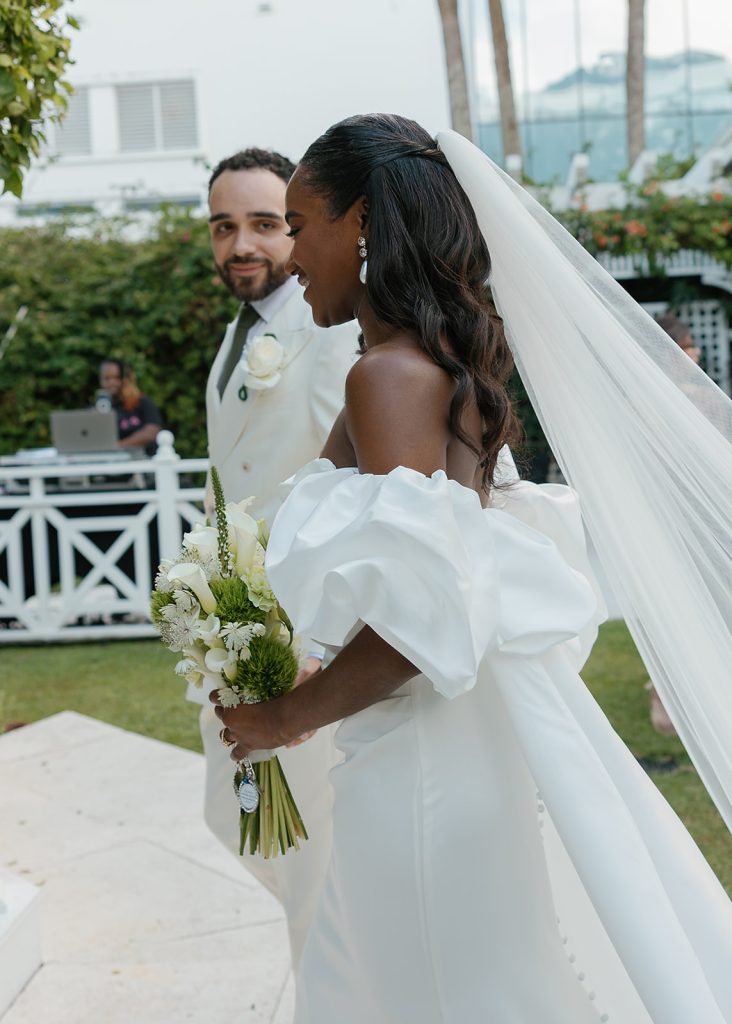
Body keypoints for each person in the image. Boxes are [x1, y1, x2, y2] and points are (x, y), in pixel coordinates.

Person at [213, 115, 732, 1023]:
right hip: (452, 744)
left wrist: (281, 717)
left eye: (300, 225)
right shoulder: (421, 362)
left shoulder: (389, 380)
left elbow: (424, 617)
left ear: (364, 223)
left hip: (421, 764)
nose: (292, 258)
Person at [192, 147, 359, 966]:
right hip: (243, 632)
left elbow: (353, 495)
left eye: (263, 224)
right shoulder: (235, 340)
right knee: (283, 858)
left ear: (294, 228)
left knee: (320, 872)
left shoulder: (331, 336)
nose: (242, 246)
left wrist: (306, 647)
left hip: (309, 645)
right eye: (225, 228)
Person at [98, 358, 163, 454]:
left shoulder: (142, 402)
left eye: (116, 378)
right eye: (107, 378)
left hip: (142, 461)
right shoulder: (99, 408)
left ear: (125, 379)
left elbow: (151, 433)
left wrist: (118, 446)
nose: (111, 383)